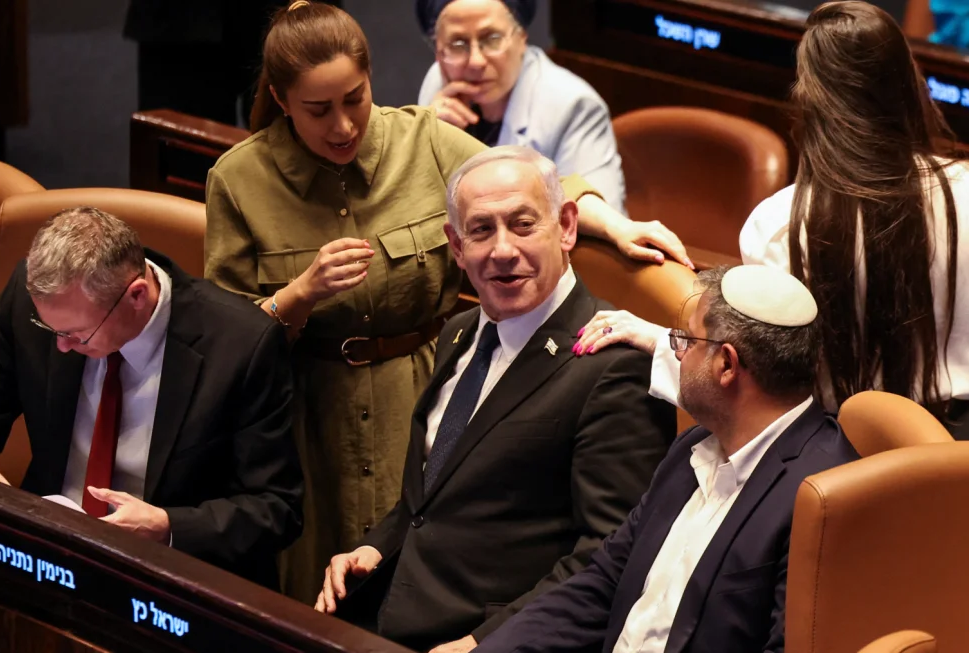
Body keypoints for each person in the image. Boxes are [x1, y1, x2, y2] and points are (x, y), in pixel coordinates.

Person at [204, 0, 689, 601]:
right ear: (281, 100)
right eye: (318, 110)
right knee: (317, 588)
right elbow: (223, 344)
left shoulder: (423, 141)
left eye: (355, 99)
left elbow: (530, 184)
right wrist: (299, 295)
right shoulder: (239, 178)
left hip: (419, 386)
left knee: (426, 553)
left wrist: (613, 225)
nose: (343, 126)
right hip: (307, 410)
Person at [574, 1, 969, 440]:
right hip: (968, 444)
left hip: (836, 451)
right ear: (909, 88)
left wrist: (660, 343)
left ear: (809, 102)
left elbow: (762, 377)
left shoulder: (777, 224)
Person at [312, 147, 675, 653]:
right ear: (456, 247)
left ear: (566, 226)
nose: (503, 250)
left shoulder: (611, 364)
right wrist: (375, 546)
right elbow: (432, 496)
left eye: (523, 224)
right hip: (383, 616)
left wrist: (485, 643)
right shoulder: (460, 334)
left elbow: (608, 554)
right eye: (481, 231)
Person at [476, 264, 859, 653]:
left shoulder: (821, 499)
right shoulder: (693, 447)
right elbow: (604, 581)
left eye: (687, 342)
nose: (676, 354)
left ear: (726, 365)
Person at [0, 207, 304, 588]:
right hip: (46, 559)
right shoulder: (38, 305)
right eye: (52, 330)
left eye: (77, 334)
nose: (62, 346)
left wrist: (167, 527)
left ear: (136, 295)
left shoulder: (241, 344)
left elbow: (276, 508)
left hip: (171, 579)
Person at [416, 0, 628, 212]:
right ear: (438, 51)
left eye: (491, 39)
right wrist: (431, 147)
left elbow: (601, 225)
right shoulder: (438, 85)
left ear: (522, 37)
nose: (476, 62)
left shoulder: (573, 106)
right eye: (458, 44)